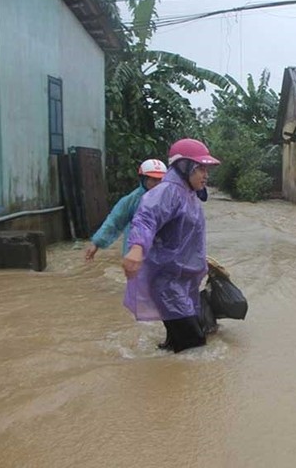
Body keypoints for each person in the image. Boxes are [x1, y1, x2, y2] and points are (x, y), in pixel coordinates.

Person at [122, 138, 220, 353]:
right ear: (184, 167)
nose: (205, 174)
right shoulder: (167, 192)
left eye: (206, 168)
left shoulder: (188, 194)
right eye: (200, 168)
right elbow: (146, 219)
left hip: (183, 280)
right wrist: (137, 247)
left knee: (177, 346)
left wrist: (204, 261)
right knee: (195, 344)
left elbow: (188, 238)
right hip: (168, 283)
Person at [84, 159, 167, 261]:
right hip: (136, 253)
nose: (157, 184)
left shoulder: (170, 199)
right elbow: (114, 221)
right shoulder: (132, 200)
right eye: (153, 180)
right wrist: (96, 243)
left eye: (160, 180)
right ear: (143, 179)